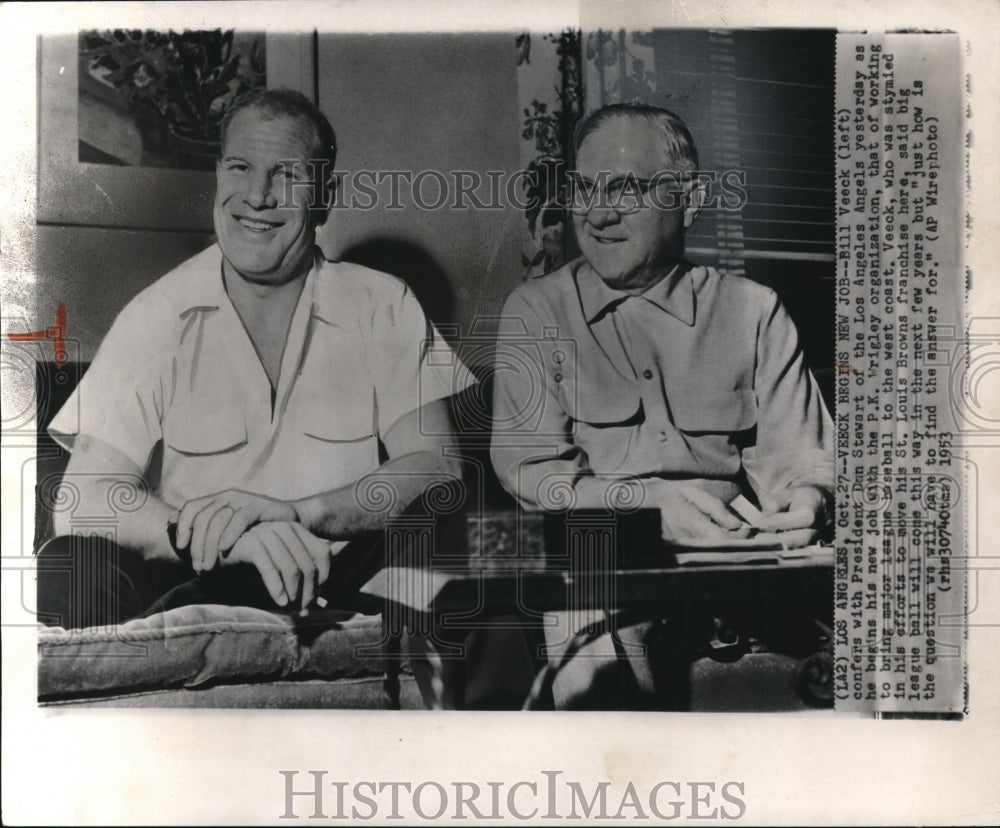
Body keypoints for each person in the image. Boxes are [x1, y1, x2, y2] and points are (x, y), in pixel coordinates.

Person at [39, 88, 473, 630]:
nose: (259, 196)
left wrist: (301, 514)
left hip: (341, 577)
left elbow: (438, 469)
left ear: (325, 196)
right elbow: (82, 500)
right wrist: (222, 537)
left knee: (476, 535)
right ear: (220, 176)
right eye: (241, 168)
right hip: (197, 578)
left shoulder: (383, 303)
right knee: (70, 563)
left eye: (286, 174)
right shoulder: (154, 315)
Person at [490, 103, 833, 707]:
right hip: (605, 577)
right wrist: (650, 508)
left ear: (690, 201)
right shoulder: (536, 312)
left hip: (741, 575)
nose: (597, 213)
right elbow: (533, 476)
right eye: (585, 188)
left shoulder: (755, 311)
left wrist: (807, 499)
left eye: (625, 187)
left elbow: (801, 460)